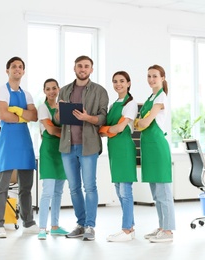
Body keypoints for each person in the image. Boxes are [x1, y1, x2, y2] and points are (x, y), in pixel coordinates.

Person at [55, 55, 109, 241]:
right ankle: (80, 223)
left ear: (91, 70)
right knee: (74, 188)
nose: (83, 69)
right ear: (74, 68)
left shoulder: (100, 91)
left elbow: (103, 117)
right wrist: (59, 111)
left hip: (89, 146)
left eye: (86, 66)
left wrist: (89, 118)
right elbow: (57, 120)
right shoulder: (64, 91)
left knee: (90, 187)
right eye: (80, 66)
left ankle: (90, 227)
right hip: (67, 147)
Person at [0, 56, 39, 238]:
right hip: (9, 139)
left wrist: (17, 112)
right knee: (2, 185)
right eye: (13, 67)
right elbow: (3, 115)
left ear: (23, 71)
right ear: (7, 70)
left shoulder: (27, 94)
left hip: (24, 140)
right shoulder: (1, 91)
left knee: (26, 185)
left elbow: (34, 116)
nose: (17, 69)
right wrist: (23, 115)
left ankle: (27, 221)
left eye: (20, 67)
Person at [134, 64, 176, 243]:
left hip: (157, 147)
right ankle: (162, 226)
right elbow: (140, 123)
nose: (151, 79)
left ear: (162, 78)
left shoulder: (161, 98)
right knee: (156, 193)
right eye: (149, 76)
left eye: (155, 76)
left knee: (164, 191)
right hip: (148, 148)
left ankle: (168, 231)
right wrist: (140, 122)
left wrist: (139, 122)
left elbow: (143, 124)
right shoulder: (152, 97)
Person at [99, 71, 138, 242]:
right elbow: (110, 128)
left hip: (124, 149)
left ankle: (126, 230)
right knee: (118, 189)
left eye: (122, 81)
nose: (118, 84)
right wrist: (108, 130)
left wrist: (105, 130)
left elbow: (119, 128)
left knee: (125, 191)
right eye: (115, 81)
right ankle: (129, 227)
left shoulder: (131, 104)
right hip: (114, 149)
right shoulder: (114, 104)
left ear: (128, 83)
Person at [37, 78, 69, 240]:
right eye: (48, 89)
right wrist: (65, 133)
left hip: (62, 151)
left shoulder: (63, 107)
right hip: (49, 152)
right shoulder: (43, 108)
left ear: (59, 89)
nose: (51, 91)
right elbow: (50, 130)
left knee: (58, 192)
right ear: (44, 91)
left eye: (54, 88)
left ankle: (55, 226)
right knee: (47, 191)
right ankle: (42, 228)